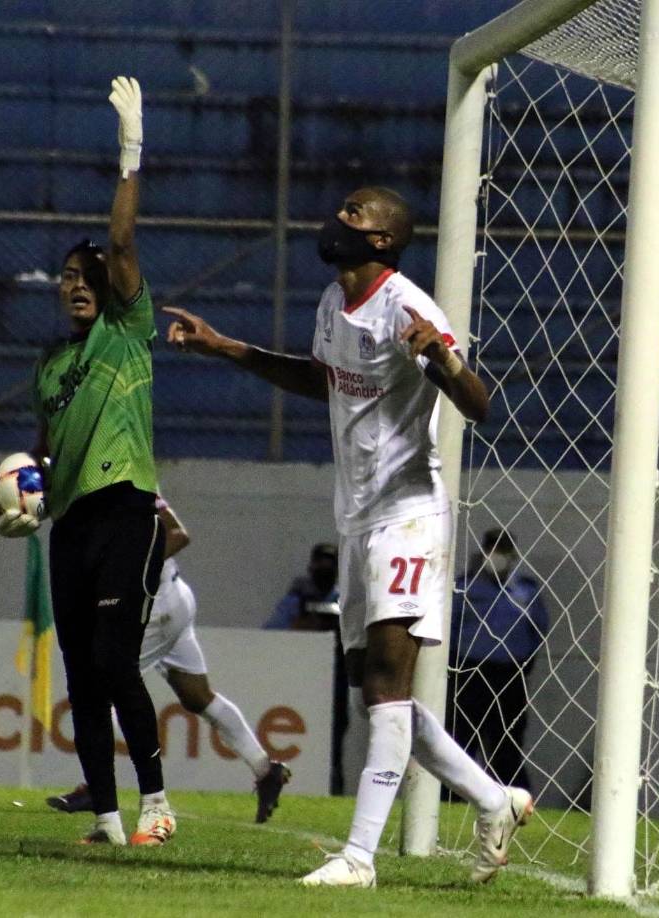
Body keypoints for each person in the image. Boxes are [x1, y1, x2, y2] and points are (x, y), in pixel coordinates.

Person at [165, 186, 534, 887]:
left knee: (389, 688)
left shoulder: (409, 307)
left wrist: (446, 361)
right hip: (358, 518)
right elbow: (323, 380)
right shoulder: (335, 302)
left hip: (410, 517)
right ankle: (494, 799)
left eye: (354, 213)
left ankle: (358, 857)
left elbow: (479, 405)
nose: (337, 218)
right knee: (378, 691)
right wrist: (225, 347)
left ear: (382, 242)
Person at [0, 78, 174, 847]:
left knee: (113, 657)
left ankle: (157, 803)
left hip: (127, 509)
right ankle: (105, 815)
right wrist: (13, 484)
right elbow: (44, 445)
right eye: (67, 276)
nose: (76, 285)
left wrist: (129, 149)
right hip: (69, 525)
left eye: (88, 276)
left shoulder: (128, 331)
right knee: (82, 676)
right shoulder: (52, 364)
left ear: (111, 289)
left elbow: (122, 245)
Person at [46, 495, 290, 823]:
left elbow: (177, 535)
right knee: (197, 696)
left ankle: (97, 788)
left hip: (155, 608)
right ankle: (265, 770)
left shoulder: (131, 485)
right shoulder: (107, 481)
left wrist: (126, 577)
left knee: (98, 692)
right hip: (170, 599)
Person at [449, 528, 548, 793]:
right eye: (495, 551)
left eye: (504, 551)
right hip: (470, 672)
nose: (499, 557)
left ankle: (512, 798)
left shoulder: (525, 590)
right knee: (461, 739)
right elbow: (450, 627)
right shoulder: (464, 586)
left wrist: (525, 662)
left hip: (509, 675)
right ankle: (454, 796)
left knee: (507, 744)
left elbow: (539, 629)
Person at [264, 543, 348, 795]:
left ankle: (334, 789)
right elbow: (272, 632)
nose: (325, 568)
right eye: (320, 562)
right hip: (300, 680)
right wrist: (302, 624)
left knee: (334, 740)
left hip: (335, 680)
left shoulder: (344, 599)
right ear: (311, 565)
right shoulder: (297, 598)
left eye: (330, 562)